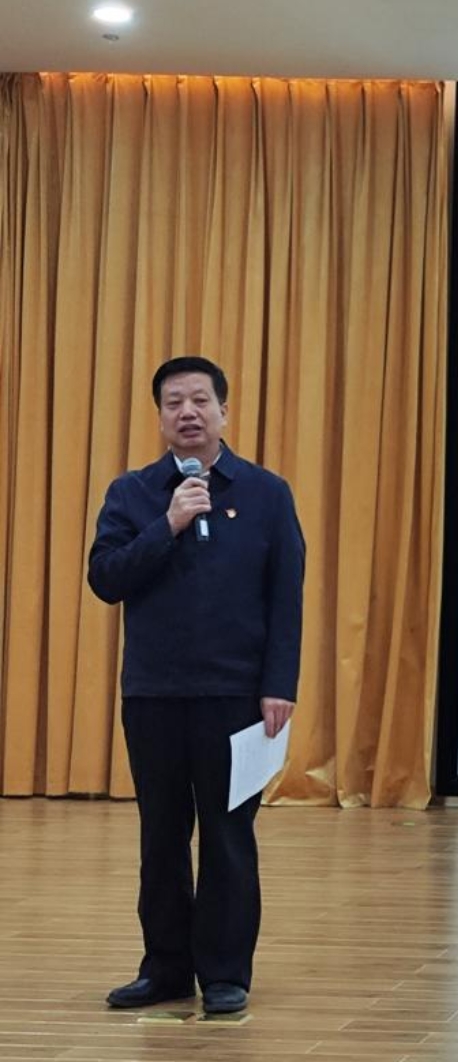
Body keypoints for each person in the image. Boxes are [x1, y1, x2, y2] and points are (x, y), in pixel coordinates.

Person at [87, 356, 305, 1016]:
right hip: (153, 695)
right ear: (159, 417)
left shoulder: (266, 493)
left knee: (228, 836)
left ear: (223, 412)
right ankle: (166, 968)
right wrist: (169, 524)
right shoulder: (133, 493)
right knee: (161, 836)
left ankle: (226, 973)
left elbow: (285, 597)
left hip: (237, 696)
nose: (188, 412)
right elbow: (107, 579)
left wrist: (279, 684)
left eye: (200, 400)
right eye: (174, 402)